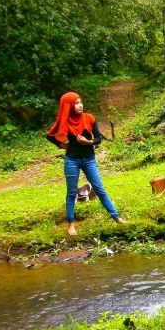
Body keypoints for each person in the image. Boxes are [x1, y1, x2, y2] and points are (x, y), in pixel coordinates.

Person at [46, 91, 126, 235]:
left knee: (99, 189)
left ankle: (117, 218)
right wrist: (61, 145)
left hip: (89, 160)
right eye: (76, 103)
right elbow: (49, 135)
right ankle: (71, 224)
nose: (80, 105)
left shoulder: (89, 118)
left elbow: (98, 139)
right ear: (69, 106)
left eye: (81, 102)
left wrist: (87, 141)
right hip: (72, 160)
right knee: (71, 193)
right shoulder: (65, 120)